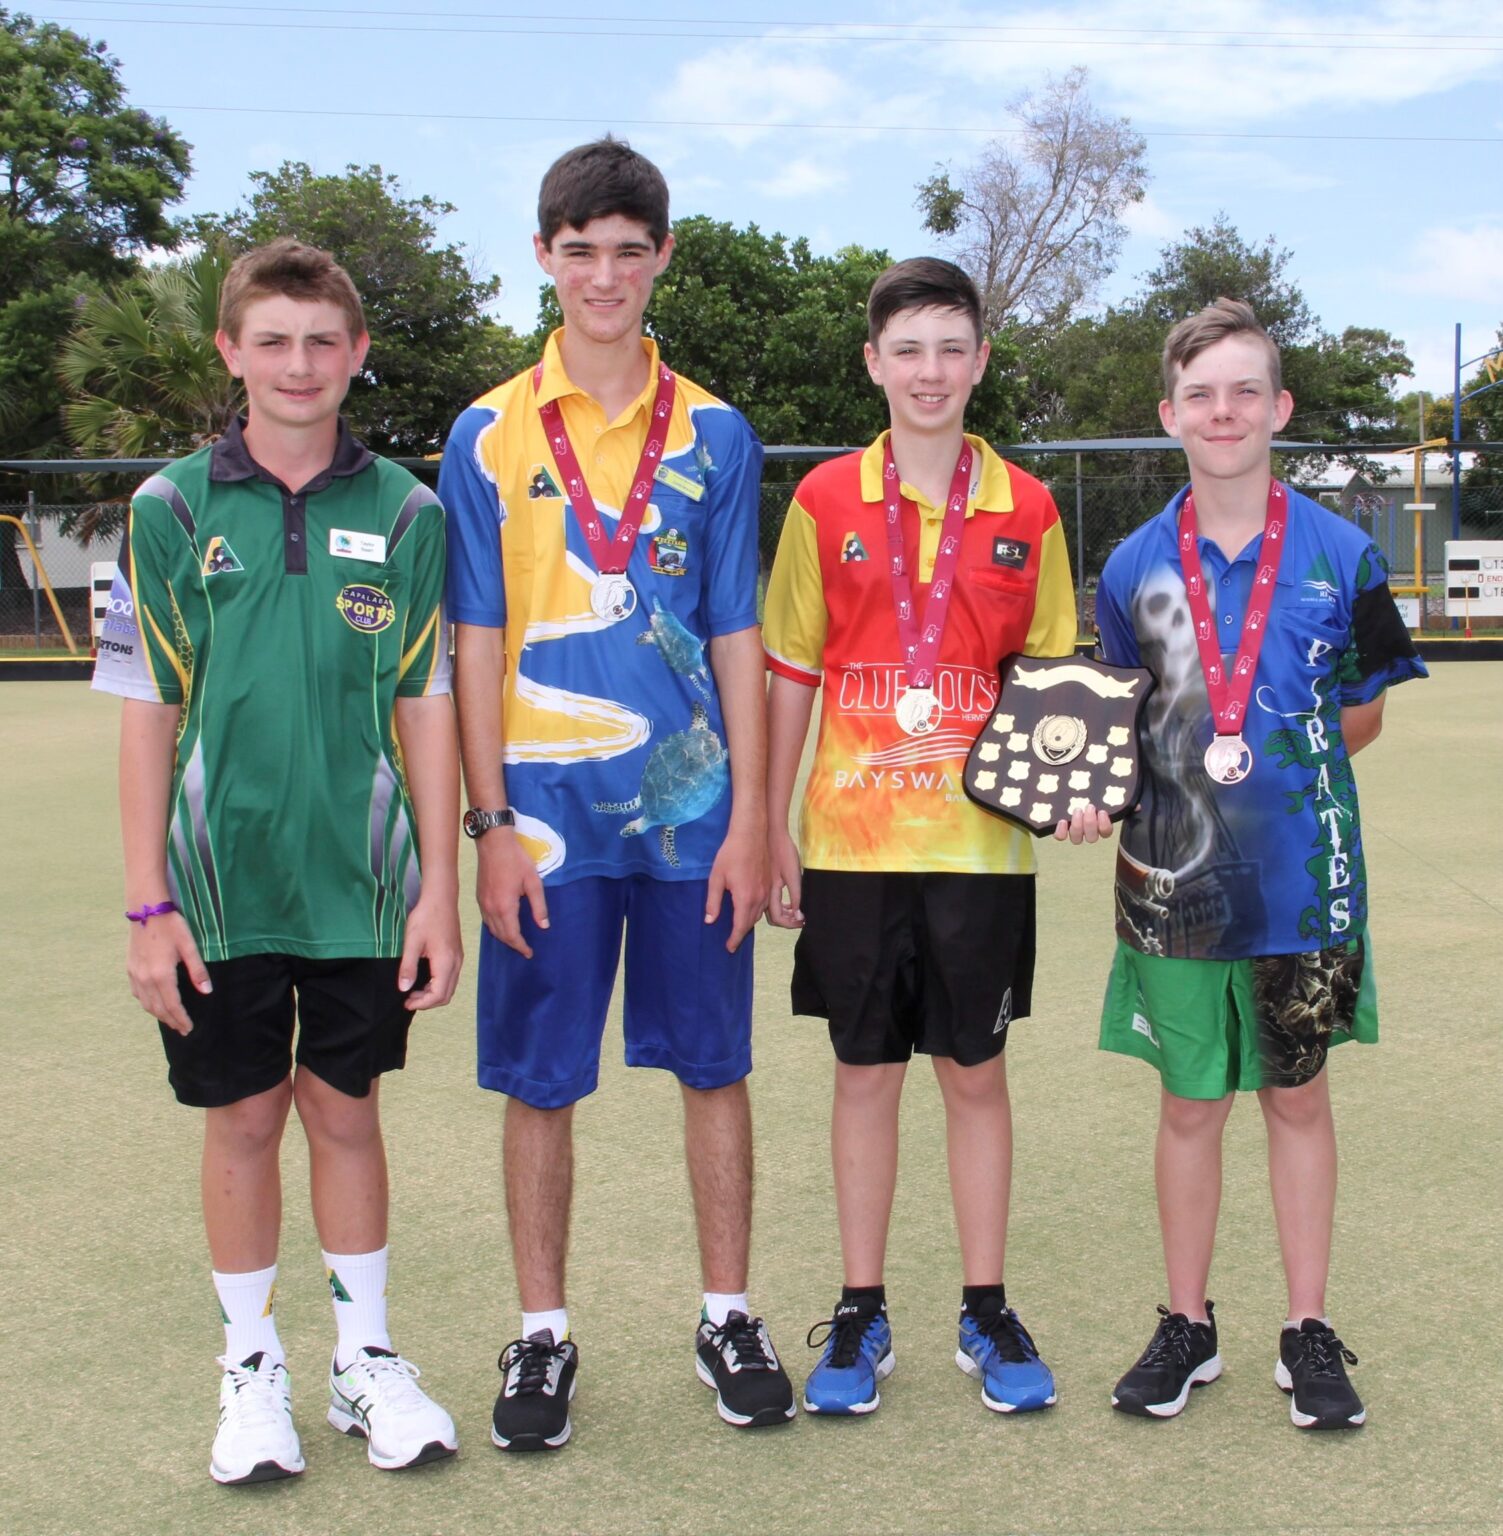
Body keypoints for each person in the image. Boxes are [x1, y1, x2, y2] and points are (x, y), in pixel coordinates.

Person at [440, 137, 793, 1450]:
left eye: (626, 251)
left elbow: (735, 638)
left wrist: (754, 815)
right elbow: (473, 640)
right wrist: (486, 826)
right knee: (540, 1078)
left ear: (661, 259)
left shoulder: (715, 432)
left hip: (690, 802)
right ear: (543, 258)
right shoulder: (484, 431)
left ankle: (726, 1312)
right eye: (577, 251)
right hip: (538, 815)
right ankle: (541, 1336)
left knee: (714, 1064)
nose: (603, 276)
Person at [92, 239, 463, 1483]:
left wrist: (439, 894)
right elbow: (148, 709)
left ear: (357, 354)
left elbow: (426, 703)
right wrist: (148, 901)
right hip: (214, 885)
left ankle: (367, 1362)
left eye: (322, 341)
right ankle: (251, 1374)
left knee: (345, 1113)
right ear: (231, 352)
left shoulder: (411, 510)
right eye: (273, 340)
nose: (298, 364)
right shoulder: (168, 509)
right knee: (244, 1116)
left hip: (362, 885)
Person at [1093, 297, 1426, 1429]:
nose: (1223, 411)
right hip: (1171, 886)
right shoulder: (1132, 563)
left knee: (1297, 1096)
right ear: (1168, 414)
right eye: (1201, 394)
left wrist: (1276, 761)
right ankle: (1187, 1324)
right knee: (1191, 1107)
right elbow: (1113, 723)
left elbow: (1367, 711)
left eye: (1245, 390)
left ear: (1279, 407)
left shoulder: (1346, 551)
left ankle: (1305, 1327)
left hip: (1305, 885)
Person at [763, 257, 1082, 1417]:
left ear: (982, 359)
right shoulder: (823, 502)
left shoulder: (1031, 507)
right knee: (862, 1077)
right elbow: (792, 666)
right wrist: (770, 822)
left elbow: (1051, 684)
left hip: (983, 850)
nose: (931, 371)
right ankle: (859, 1308)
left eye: (952, 347)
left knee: (976, 1075)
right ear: (874, 363)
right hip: (850, 845)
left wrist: (1072, 792)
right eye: (908, 349)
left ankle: (986, 1307)